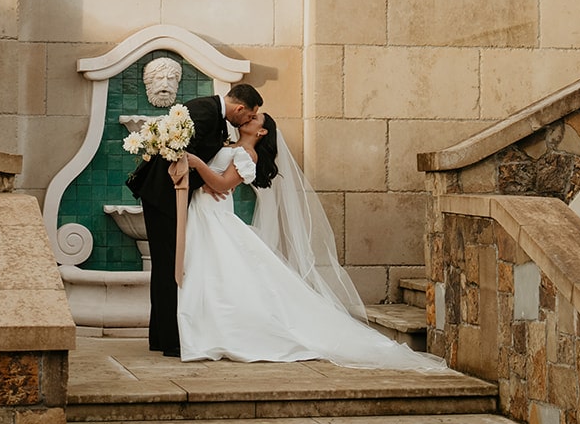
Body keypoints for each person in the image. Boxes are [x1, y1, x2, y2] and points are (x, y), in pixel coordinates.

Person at [177, 113, 446, 372]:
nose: (249, 118)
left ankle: (225, 331)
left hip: (216, 216)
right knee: (211, 273)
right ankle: (208, 328)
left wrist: (198, 165)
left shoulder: (248, 155)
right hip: (204, 213)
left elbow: (223, 185)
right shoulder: (229, 145)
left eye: (255, 119)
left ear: (262, 132)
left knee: (223, 272)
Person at [128, 82, 263, 357]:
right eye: (248, 115)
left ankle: (161, 336)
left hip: (170, 196)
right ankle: (170, 340)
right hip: (164, 195)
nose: (247, 121)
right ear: (239, 108)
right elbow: (178, 154)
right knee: (169, 265)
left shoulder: (213, 114)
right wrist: (207, 183)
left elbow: (190, 155)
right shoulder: (205, 111)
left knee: (168, 265)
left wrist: (207, 183)